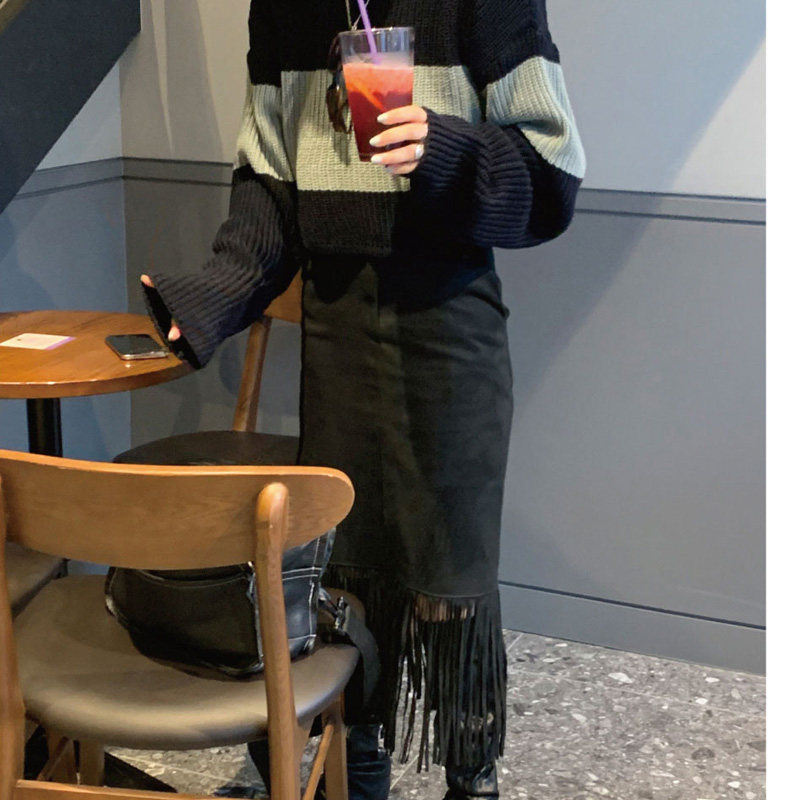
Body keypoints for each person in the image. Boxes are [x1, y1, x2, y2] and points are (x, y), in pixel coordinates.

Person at [141, 0, 584, 797]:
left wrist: (443, 149)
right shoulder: (283, 10)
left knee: (450, 574)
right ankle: (356, 758)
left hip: (449, 324)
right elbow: (270, 183)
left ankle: (471, 773)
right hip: (337, 328)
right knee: (344, 572)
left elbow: (550, 175)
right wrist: (212, 297)